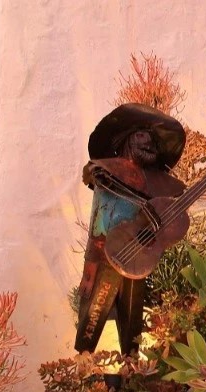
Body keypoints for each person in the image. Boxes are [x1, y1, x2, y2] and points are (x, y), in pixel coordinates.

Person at [75, 103, 186, 355]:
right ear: (127, 139)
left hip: (139, 257)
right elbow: (97, 224)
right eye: (140, 136)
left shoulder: (156, 182)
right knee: (93, 316)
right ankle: (83, 363)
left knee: (132, 322)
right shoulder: (107, 172)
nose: (148, 142)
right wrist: (90, 268)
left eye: (152, 139)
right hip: (105, 255)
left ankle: (131, 364)